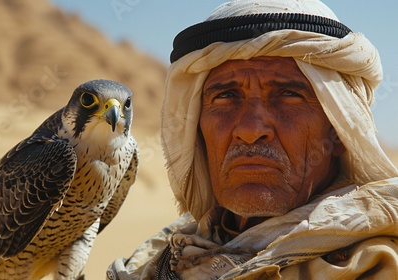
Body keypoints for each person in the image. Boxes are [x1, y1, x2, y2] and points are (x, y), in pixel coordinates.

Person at [108, 0, 398, 279]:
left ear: (338, 129)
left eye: (288, 95)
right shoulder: (157, 260)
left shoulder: (379, 263)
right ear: (197, 129)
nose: (249, 129)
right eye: (226, 96)